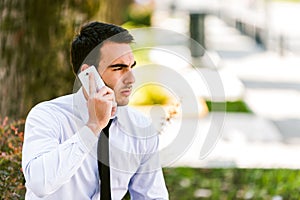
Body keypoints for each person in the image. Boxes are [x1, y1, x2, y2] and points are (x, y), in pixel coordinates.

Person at [22, 21, 169, 199]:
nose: (131, 78)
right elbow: (40, 184)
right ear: (88, 74)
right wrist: (92, 127)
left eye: (131, 67)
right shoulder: (47, 116)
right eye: (119, 68)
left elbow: (153, 196)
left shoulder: (139, 127)